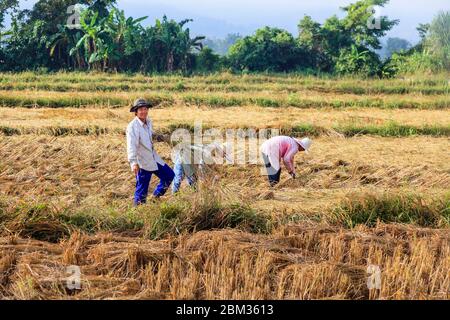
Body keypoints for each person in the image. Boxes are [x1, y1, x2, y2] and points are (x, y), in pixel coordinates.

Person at [127, 98, 175, 205]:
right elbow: (131, 145)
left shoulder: (149, 122)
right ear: (136, 112)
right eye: (141, 109)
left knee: (169, 175)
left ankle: (155, 197)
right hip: (142, 162)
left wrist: (161, 137)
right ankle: (138, 213)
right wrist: (133, 163)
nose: (144, 111)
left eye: (145, 109)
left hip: (153, 158)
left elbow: (150, 135)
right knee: (142, 190)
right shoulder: (132, 127)